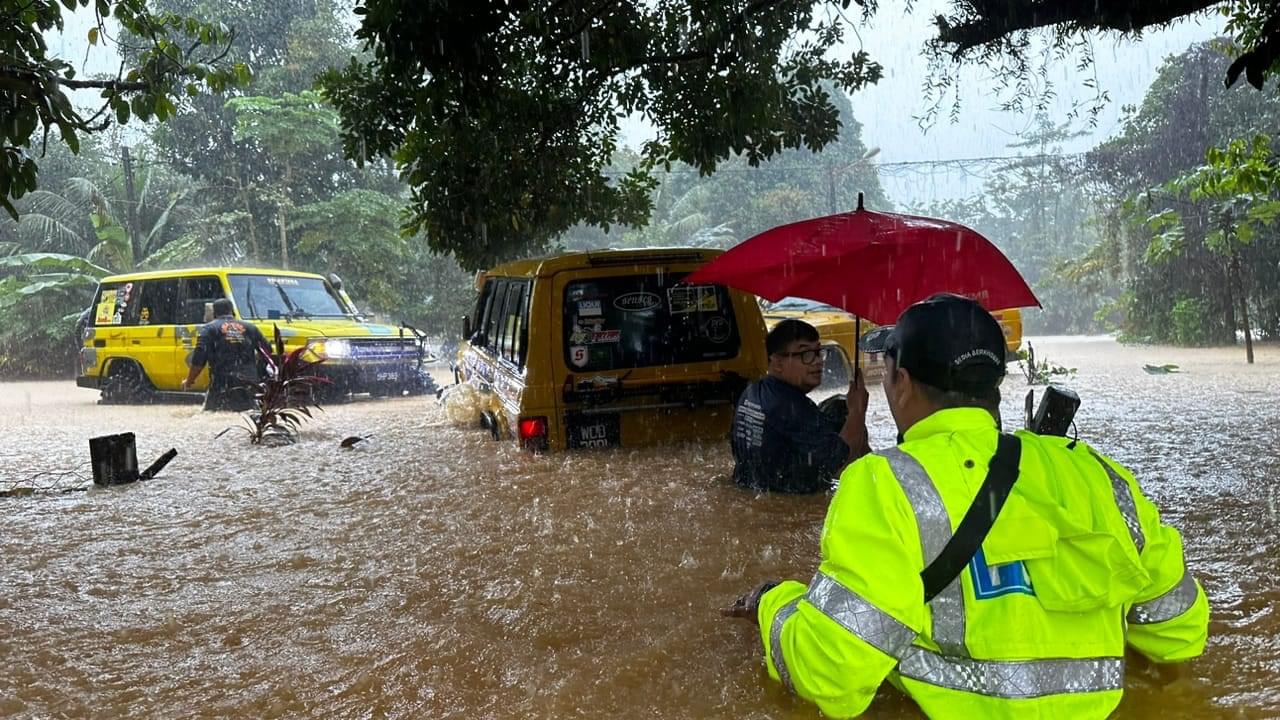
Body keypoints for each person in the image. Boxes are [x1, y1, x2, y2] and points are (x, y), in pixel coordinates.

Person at [726, 294, 1208, 719]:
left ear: (900, 383)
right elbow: (1180, 631)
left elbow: (831, 673)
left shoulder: (882, 484)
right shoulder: (1098, 474)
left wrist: (775, 602)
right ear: (993, 382)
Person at [730, 319, 871, 493]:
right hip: (787, 505)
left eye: (818, 352)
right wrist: (858, 411)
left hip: (746, 490)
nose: (818, 361)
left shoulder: (752, 392)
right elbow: (837, 457)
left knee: (836, 408)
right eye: (805, 354)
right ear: (778, 362)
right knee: (842, 412)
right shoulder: (793, 409)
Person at [181, 298, 268, 411]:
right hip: (249, 384)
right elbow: (267, 352)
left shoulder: (209, 329)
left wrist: (189, 380)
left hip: (222, 383)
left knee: (213, 415)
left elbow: (199, 357)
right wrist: (257, 373)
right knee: (249, 415)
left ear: (214, 313)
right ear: (232, 311)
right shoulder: (251, 328)